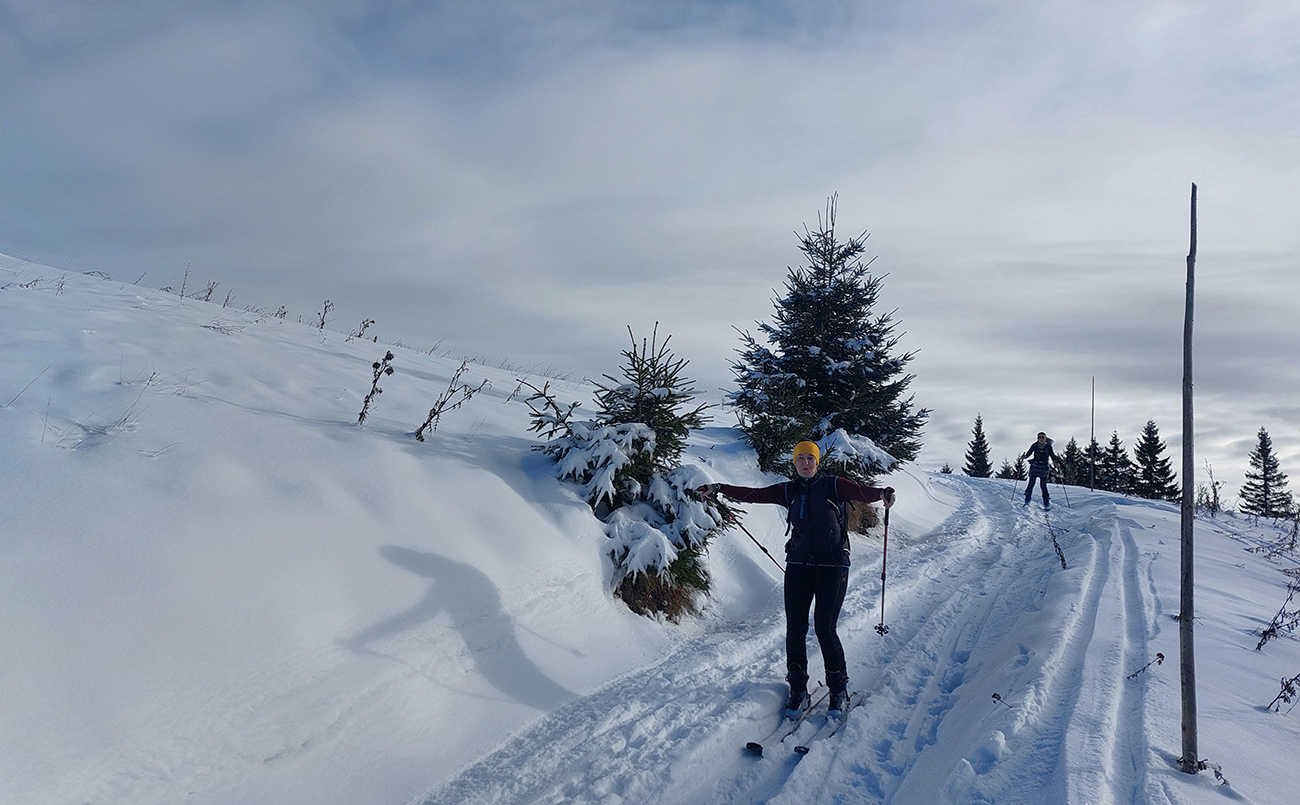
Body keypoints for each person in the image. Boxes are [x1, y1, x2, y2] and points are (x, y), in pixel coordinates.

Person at [696, 440, 895, 715]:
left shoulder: (834, 486)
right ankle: (798, 689)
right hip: (799, 564)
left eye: (810, 458)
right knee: (795, 627)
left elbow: (862, 491)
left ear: (817, 462)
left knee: (825, 628)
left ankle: (838, 688)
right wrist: (719, 488)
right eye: (800, 458)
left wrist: (883, 493)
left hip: (833, 565)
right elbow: (753, 494)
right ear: (794, 462)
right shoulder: (789, 490)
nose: (805, 463)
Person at [1020, 431, 1059, 508]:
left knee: (1043, 486)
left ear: (1045, 438)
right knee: (1031, 484)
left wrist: (1055, 463)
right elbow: (1028, 454)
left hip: (1044, 467)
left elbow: (1053, 456)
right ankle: (1027, 501)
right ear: (1037, 438)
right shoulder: (1034, 445)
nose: (1041, 439)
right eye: (1039, 437)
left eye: (1042, 437)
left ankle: (1046, 503)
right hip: (1035, 465)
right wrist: (1024, 457)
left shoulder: (1048, 447)